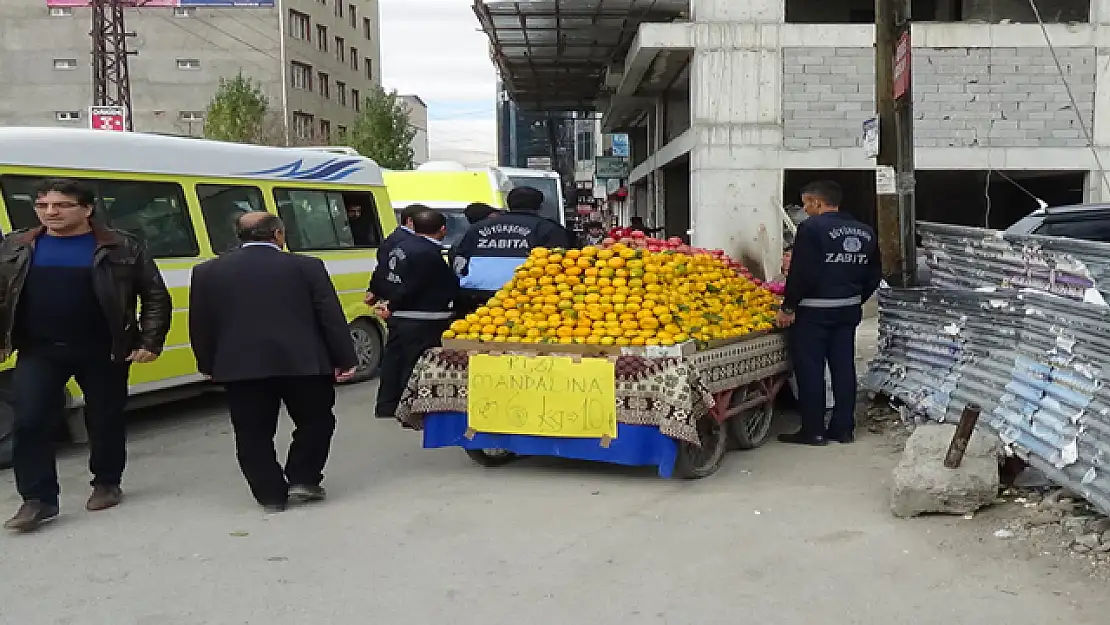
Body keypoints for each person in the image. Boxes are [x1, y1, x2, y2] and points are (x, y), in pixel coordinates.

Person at [1, 179, 171, 532]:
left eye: (61, 205)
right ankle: (38, 499)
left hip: (103, 349)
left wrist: (150, 341)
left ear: (87, 209)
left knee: (105, 419)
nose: (51, 212)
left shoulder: (120, 247)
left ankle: (106, 482)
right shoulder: (16, 247)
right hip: (39, 351)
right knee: (29, 421)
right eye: (43, 205)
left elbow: (154, 294)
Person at [189, 212, 358, 512]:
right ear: (278, 234)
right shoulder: (306, 267)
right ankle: (303, 479)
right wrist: (344, 357)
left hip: (241, 367)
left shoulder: (207, 272)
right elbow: (329, 316)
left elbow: (201, 324)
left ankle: (270, 494)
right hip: (303, 363)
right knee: (316, 420)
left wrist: (208, 363)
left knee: (252, 431)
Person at [776, 180, 882, 447]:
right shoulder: (865, 231)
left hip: (813, 312)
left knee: (810, 370)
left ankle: (813, 431)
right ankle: (843, 430)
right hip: (847, 310)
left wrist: (788, 307)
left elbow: (802, 272)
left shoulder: (811, 228)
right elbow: (874, 274)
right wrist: (855, 299)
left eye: (805, 204)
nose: (804, 210)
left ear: (816, 202)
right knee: (843, 368)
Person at [370, 209, 458, 421]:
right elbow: (415, 286)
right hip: (422, 317)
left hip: (399, 316)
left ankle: (387, 405)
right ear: (443, 229)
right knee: (414, 363)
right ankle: (409, 409)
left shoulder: (400, 247)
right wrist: (393, 303)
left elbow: (383, 274)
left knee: (393, 361)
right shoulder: (428, 253)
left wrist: (383, 298)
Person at [450, 186, 572, 316]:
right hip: (525, 298)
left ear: (508, 204)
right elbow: (561, 264)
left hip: (476, 295)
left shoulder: (478, 227)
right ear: (540, 206)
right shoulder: (547, 228)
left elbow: (460, 261)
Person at [365, 203, 426, 307]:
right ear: (409, 221)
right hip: (399, 297)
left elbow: (381, 268)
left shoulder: (395, 237)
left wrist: (373, 290)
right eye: (424, 219)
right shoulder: (406, 241)